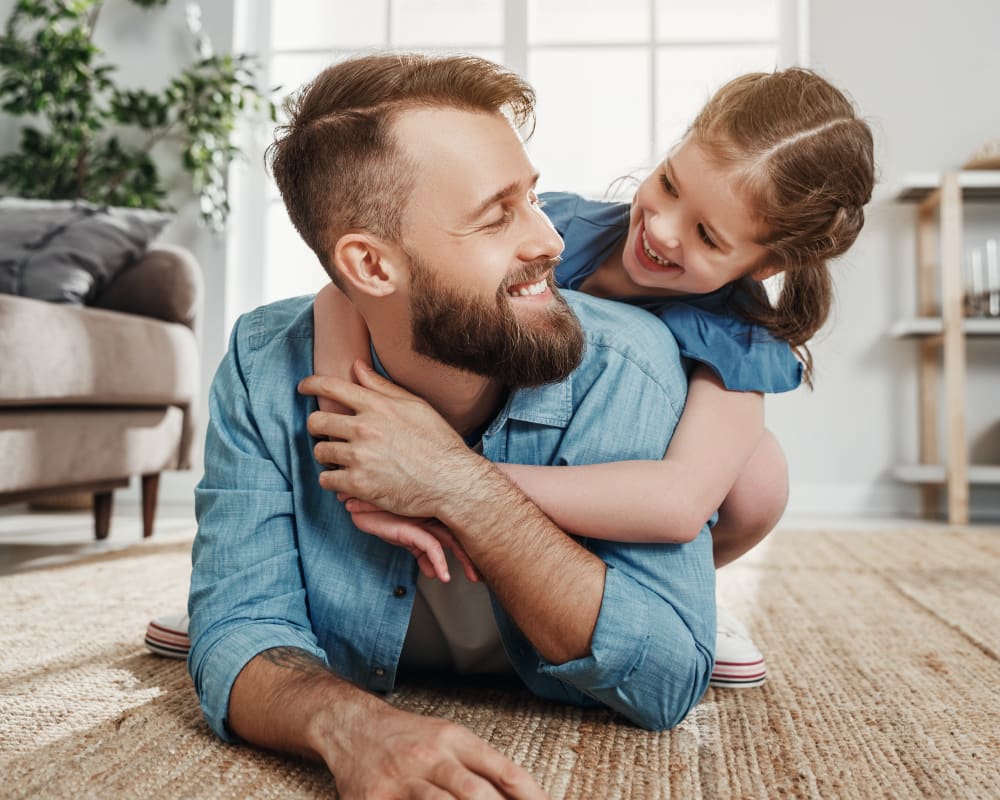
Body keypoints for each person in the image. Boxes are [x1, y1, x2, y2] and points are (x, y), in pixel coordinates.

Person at [183, 52, 716, 798]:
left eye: (532, 198)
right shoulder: (263, 363)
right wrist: (348, 726)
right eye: (498, 215)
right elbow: (239, 635)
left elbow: (666, 680)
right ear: (369, 267)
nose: (551, 241)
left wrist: (456, 483)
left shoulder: (630, 361)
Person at [305, 67, 877, 689]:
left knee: (759, 477)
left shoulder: (739, 337)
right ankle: (288, 585)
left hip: (592, 494)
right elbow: (346, 292)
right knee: (317, 349)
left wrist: (449, 480)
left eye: (707, 235)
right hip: (486, 430)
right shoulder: (555, 229)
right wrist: (351, 436)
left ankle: (674, 601)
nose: (662, 229)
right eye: (669, 184)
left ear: (765, 263)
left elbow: (680, 501)